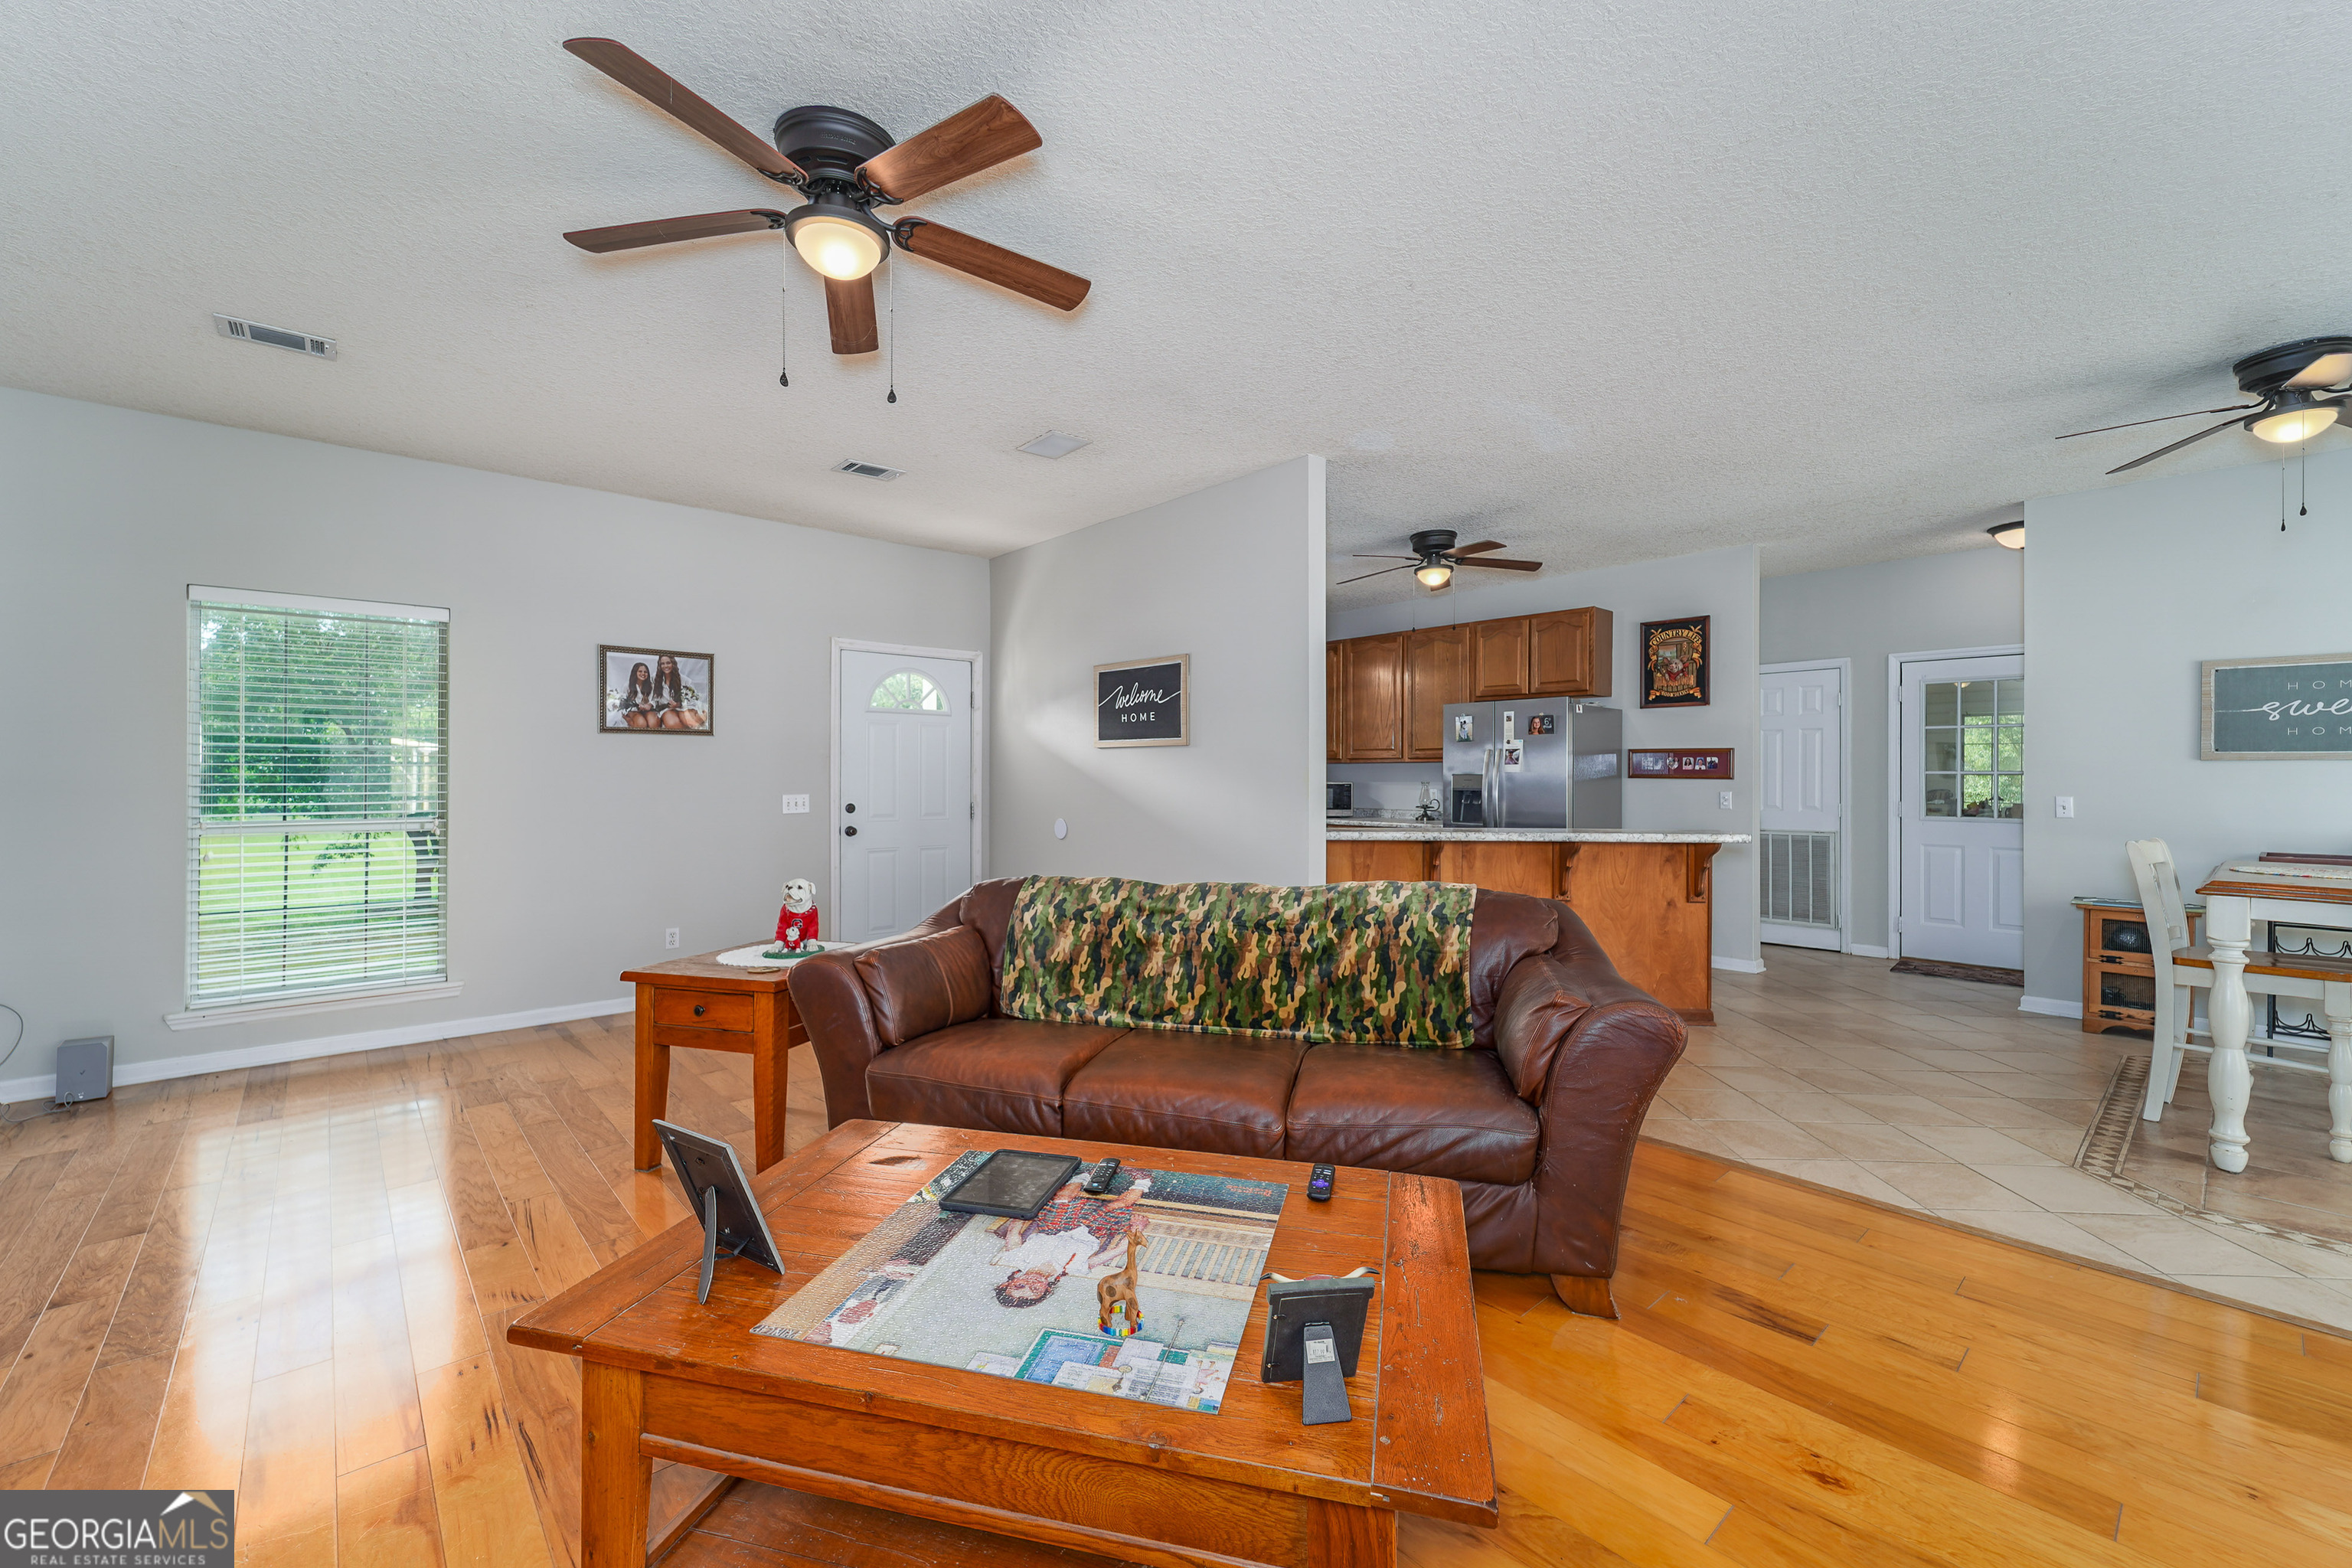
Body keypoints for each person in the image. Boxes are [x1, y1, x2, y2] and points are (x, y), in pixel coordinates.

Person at [989, 1175, 1152, 1308]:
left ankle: (1084, 1175)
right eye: (1035, 1289)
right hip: (1092, 1231)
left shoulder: (1016, 1257)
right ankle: (1143, 1181)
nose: (1031, 1283)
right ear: (1046, 1290)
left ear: (1008, 1283)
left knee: (1062, 1199)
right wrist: (1138, 1228)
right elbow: (1117, 1250)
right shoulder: (1076, 1268)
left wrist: (1025, 1207)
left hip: (1054, 1225)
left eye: (1020, 1286)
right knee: (1119, 1206)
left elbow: (1014, 1230)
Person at [652, 654, 707, 730]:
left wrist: (679, 704)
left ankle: (704, 715)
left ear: (673, 663)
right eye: (663, 664)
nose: (665, 666)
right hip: (667, 709)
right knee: (673, 725)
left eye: (668, 663)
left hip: (683, 708)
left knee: (691, 723)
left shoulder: (686, 681)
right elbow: (653, 698)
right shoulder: (655, 679)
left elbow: (693, 700)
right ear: (659, 665)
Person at [616, 662, 656, 728]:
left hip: (648, 711)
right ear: (635, 672)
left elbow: (655, 699)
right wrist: (637, 707)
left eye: (645, 672)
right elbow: (623, 702)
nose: (643, 674)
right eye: (640, 671)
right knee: (641, 724)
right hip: (633, 712)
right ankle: (629, 721)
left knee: (653, 722)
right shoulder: (628, 686)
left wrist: (650, 704)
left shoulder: (651, 686)